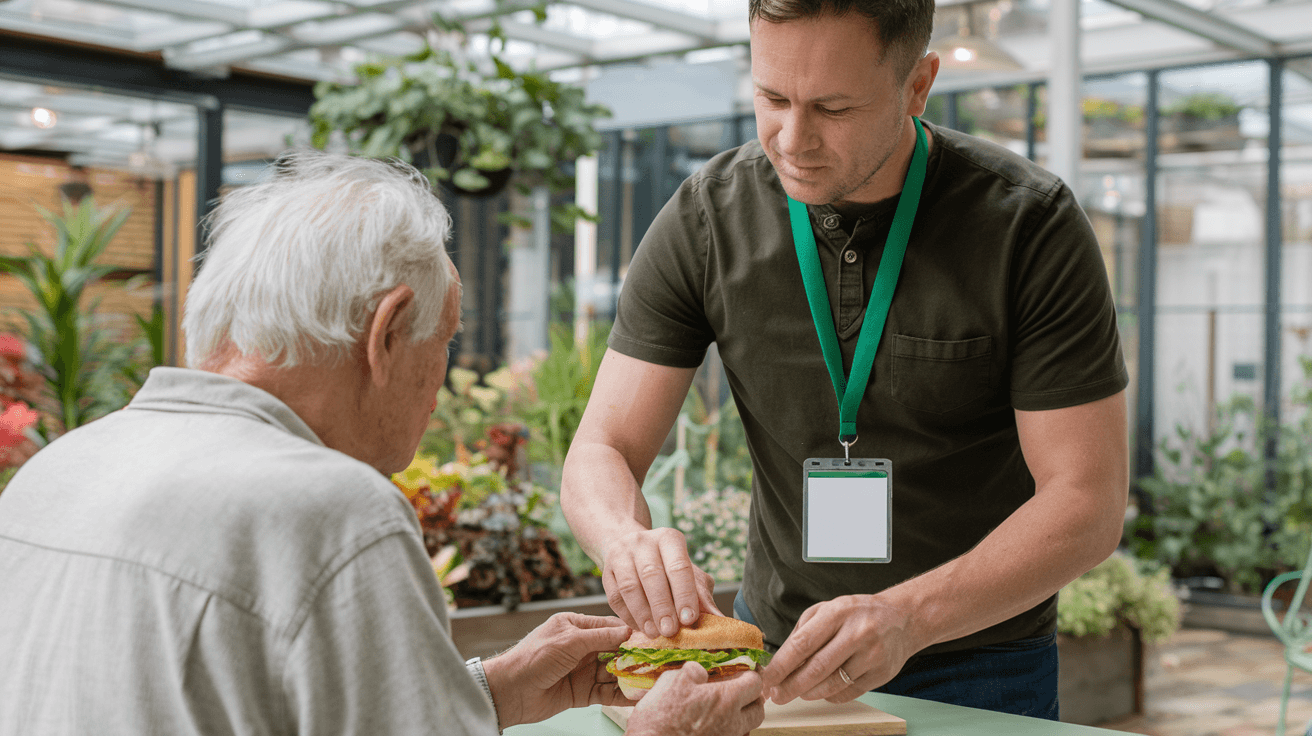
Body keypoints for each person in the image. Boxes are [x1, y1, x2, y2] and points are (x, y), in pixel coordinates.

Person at [0, 151, 765, 736]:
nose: (444, 383)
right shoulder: (333, 511)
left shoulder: (52, 473)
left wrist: (481, 694)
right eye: (446, 342)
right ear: (386, 332)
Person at [560, 0, 1129, 721]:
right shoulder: (707, 217)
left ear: (918, 84)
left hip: (981, 664)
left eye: (833, 106)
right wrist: (625, 542)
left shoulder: (1029, 225)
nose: (792, 139)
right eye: (771, 98)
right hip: (774, 657)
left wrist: (909, 616)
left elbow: (1087, 502)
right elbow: (601, 447)